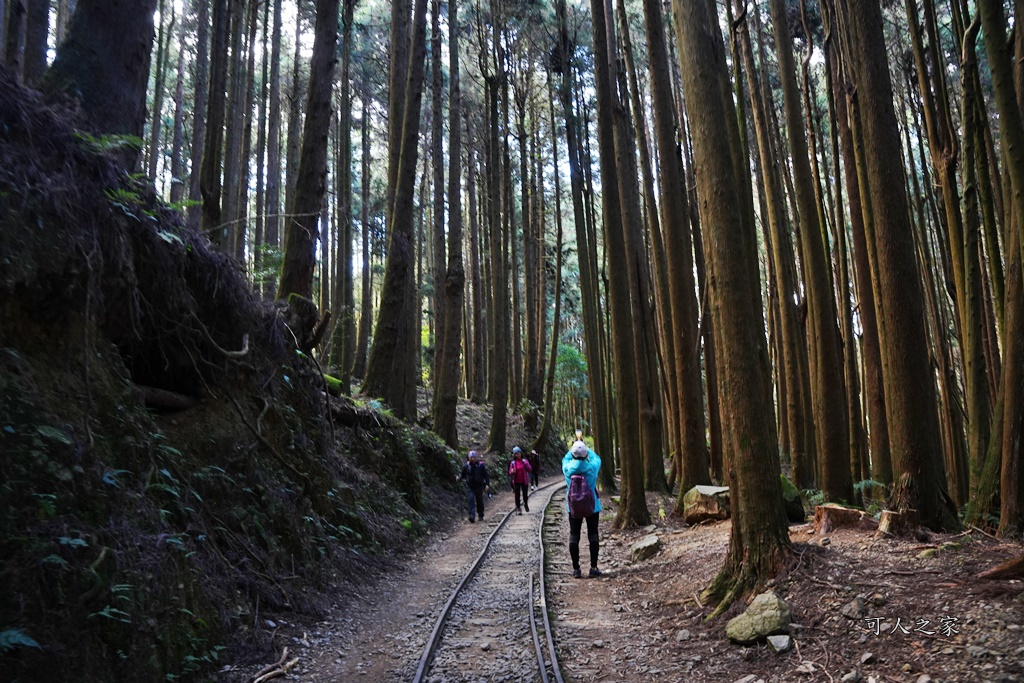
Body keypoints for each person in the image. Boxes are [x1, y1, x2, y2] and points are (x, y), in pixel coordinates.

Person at [563, 439, 602, 578]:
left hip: (573, 507)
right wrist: (584, 446)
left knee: (574, 535)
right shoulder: (592, 466)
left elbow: (566, 457)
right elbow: (597, 457)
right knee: (593, 535)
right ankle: (593, 567)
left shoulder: (567, 468)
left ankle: (576, 569)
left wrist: (575, 445)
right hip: (592, 506)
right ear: (586, 454)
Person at [459, 451, 490, 523]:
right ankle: (471, 516)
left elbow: (486, 475)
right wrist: (459, 478)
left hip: (479, 486)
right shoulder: (466, 466)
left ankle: (481, 515)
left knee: (479, 501)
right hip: (470, 486)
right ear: (468, 458)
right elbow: (462, 474)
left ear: (476, 458)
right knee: (471, 500)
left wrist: (487, 484)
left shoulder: (481, 465)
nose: (472, 459)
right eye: (471, 457)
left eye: (474, 457)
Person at [508, 446, 533, 515]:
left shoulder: (524, 461)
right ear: (514, 455)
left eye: (518, 453)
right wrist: (512, 471)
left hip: (524, 481)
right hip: (516, 481)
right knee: (517, 495)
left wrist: (525, 463)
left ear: (521, 453)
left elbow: (529, 469)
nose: (517, 455)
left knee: (525, 495)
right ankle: (518, 508)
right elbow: (510, 472)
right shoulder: (513, 463)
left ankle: (525, 504)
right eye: (516, 454)